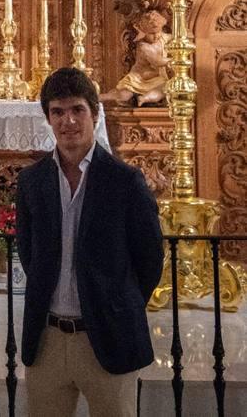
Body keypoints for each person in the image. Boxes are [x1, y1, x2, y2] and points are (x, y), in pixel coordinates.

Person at [15, 67, 164, 417]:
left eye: (77, 110)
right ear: (48, 119)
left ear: (94, 114)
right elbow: (29, 253)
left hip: (108, 335)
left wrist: (115, 304)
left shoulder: (125, 181)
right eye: (58, 112)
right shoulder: (32, 182)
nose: (68, 121)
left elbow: (149, 259)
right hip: (48, 339)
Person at [101, 10, 171, 106]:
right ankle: (101, 97)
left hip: (156, 80)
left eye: (158, 32)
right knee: (124, 95)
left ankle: (144, 98)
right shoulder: (143, 46)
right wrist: (175, 61)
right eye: (151, 34)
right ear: (143, 32)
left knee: (165, 88)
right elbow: (157, 61)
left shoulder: (163, 38)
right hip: (138, 79)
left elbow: (175, 38)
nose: (156, 36)